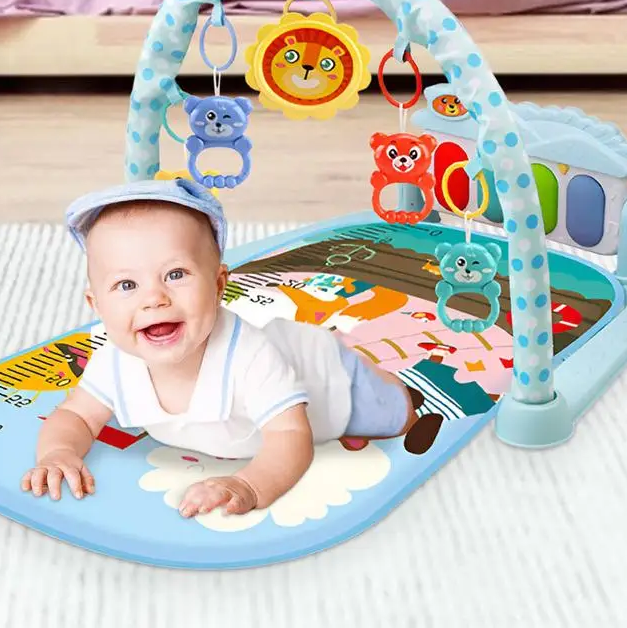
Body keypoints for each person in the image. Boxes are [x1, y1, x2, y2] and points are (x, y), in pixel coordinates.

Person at [21, 178, 419, 518]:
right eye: (127, 285)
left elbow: (289, 436)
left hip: (328, 379)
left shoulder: (250, 356)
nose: (154, 298)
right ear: (96, 305)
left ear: (218, 285)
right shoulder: (115, 359)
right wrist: (58, 452)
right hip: (274, 382)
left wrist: (250, 485)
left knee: (397, 415)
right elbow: (76, 415)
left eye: (175, 274)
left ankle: (361, 356)